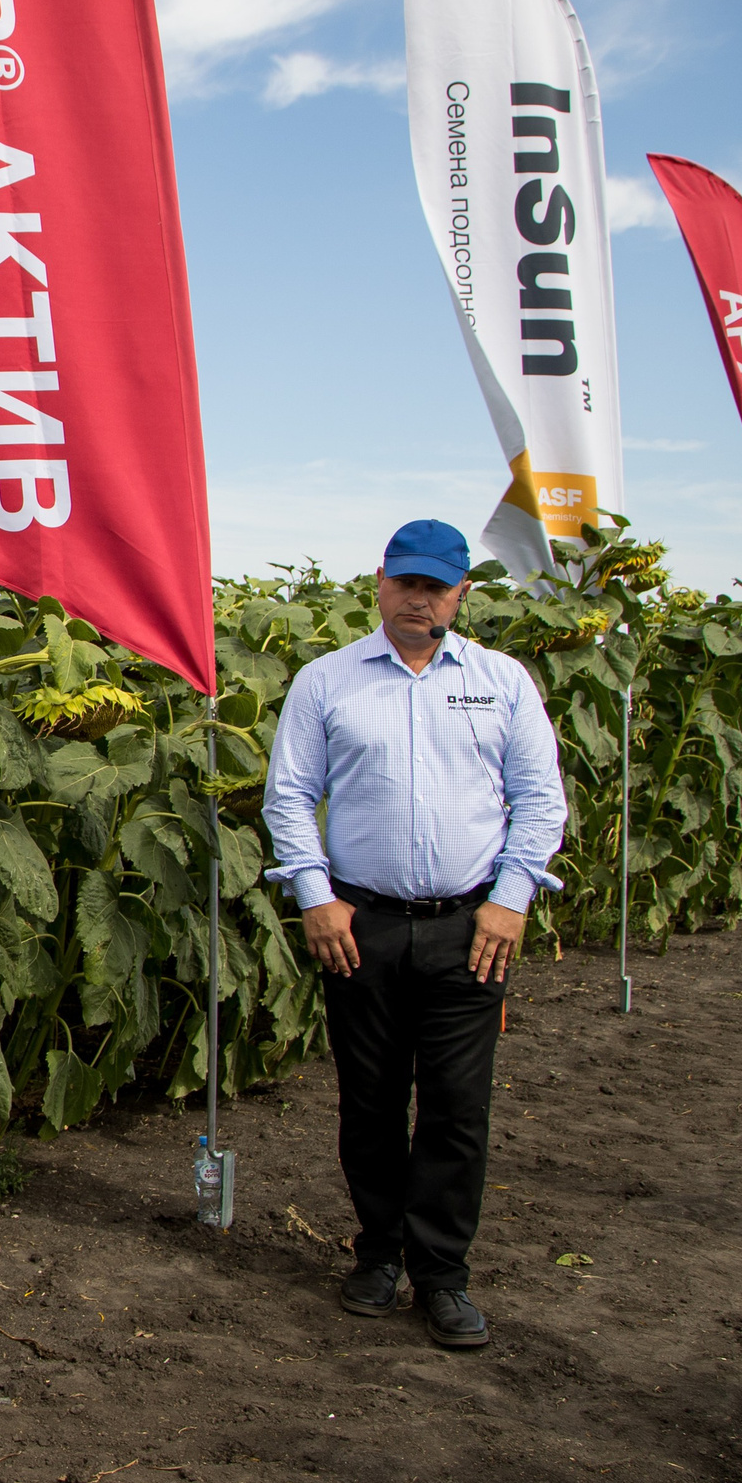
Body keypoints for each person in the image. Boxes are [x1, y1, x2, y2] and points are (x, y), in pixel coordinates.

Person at [261, 518, 566, 1350]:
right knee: (370, 1100)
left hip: (472, 925)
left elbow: (539, 801)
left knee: (458, 1108)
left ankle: (442, 1274)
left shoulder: (501, 682)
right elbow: (289, 795)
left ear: (463, 594)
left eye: (436, 586)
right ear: (380, 583)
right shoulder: (328, 681)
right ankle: (378, 1252)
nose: (418, 599)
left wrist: (511, 898)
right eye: (406, 583)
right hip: (359, 921)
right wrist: (315, 894)